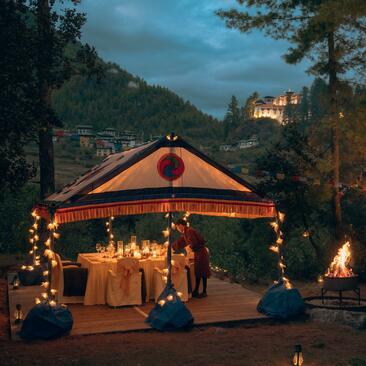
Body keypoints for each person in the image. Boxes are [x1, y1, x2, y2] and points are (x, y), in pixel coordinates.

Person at [172, 219, 210, 298]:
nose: (177, 229)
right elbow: (181, 241)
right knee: (199, 271)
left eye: (177, 227)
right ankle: (196, 290)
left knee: (202, 271)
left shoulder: (189, 231)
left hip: (201, 252)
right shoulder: (186, 232)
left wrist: (190, 247)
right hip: (198, 253)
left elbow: (193, 243)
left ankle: (203, 291)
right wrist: (171, 248)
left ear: (180, 225)